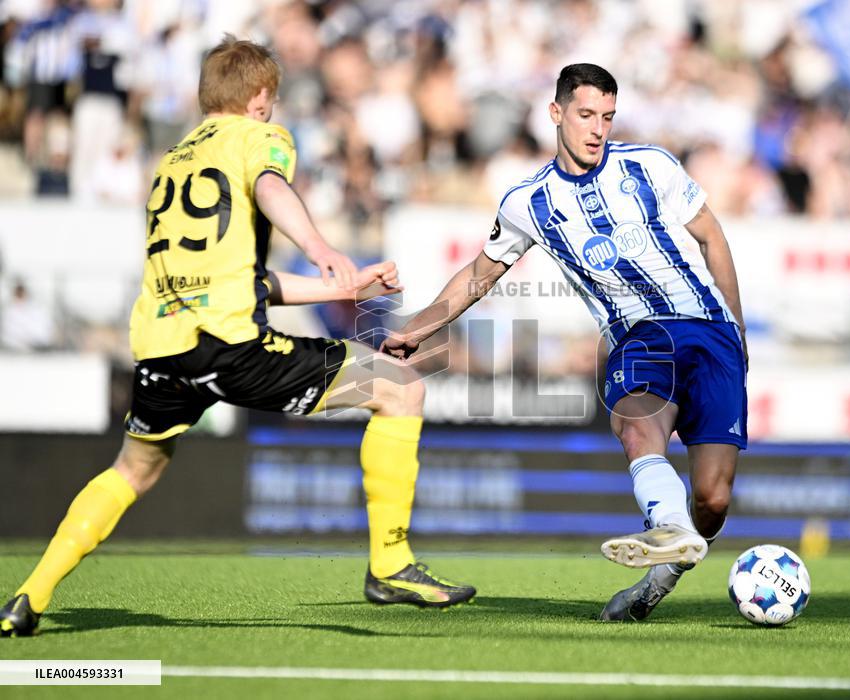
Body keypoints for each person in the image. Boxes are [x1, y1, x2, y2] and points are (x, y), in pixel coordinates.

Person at [1, 36, 474, 638]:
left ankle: (29, 595)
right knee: (400, 386)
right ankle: (390, 563)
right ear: (258, 98)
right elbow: (274, 188)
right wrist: (323, 248)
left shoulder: (172, 161)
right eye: (270, 100)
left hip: (163, 346)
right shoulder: (258, 139)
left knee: (133, 469)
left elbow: (241, 278)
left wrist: (341, 287)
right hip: (230, 343)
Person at [383, 63, 747, 622]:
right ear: (556, 114)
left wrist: (739, 330)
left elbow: (711, 235)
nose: (597, 128)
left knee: (714, 500)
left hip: (710, 330)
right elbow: (479, 276)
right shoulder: (528, 202)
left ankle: (660, 570)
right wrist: (419, 327)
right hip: (638, 335)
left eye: (607, 116)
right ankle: (667, 525)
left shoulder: (650, 165)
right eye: (585, 115)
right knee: (634, 421)